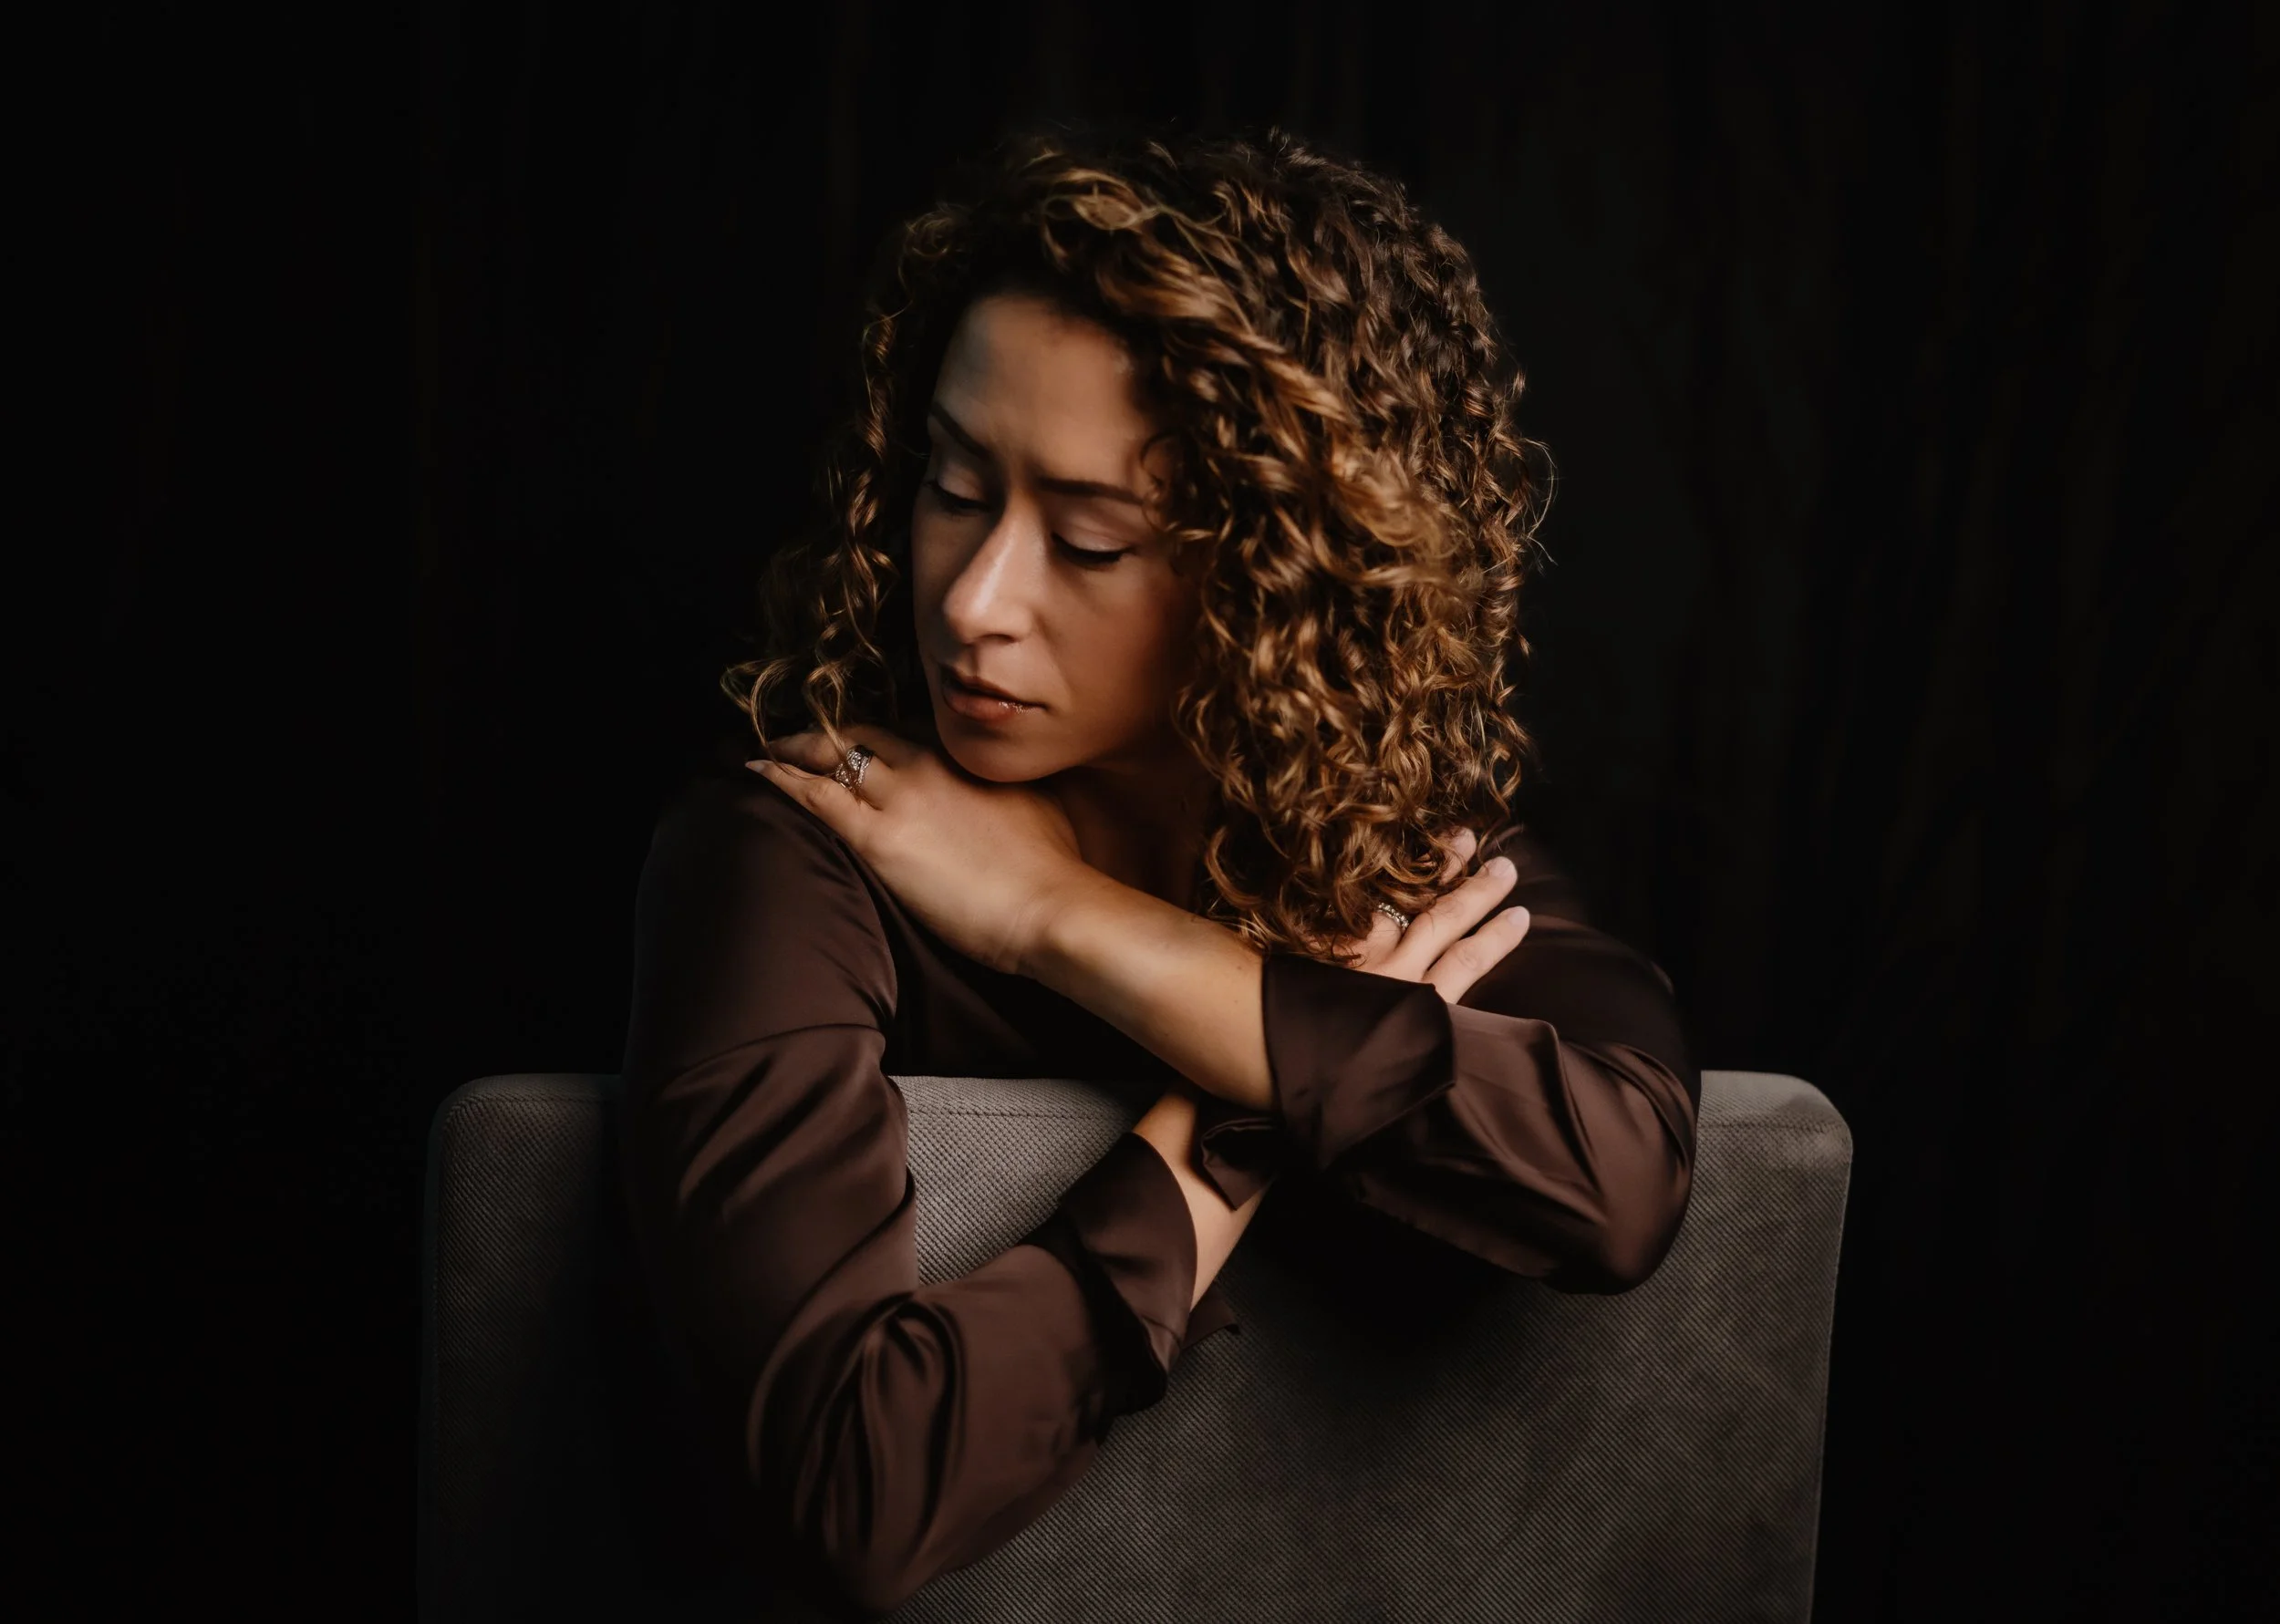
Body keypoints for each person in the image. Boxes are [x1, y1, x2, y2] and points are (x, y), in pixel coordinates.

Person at [618, 128, 1700, 1620]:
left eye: (1088, 539)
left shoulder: (1384, 853)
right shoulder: (804, 841)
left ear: (1269, 575)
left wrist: (1057, 922)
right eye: (948, 486)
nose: (977, 600)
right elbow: (856, 1482)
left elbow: (1615, 1182)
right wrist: (1237, 1119)